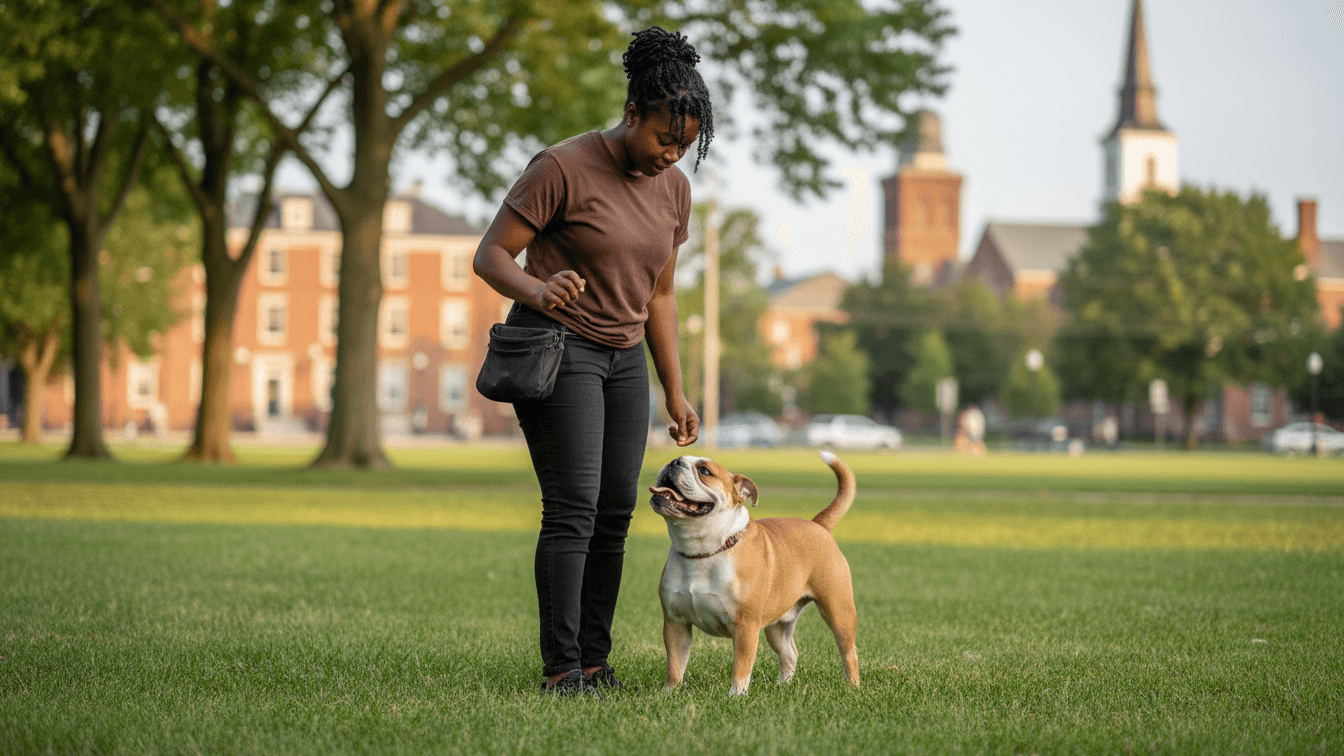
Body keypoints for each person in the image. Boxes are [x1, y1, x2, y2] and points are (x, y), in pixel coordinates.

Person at [472, 26, 711, 695]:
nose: (671, 154)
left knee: (614, 509)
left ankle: (595, 663)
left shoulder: (674, 192)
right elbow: (490, 254)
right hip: (559, 346)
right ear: (631, 113)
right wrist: (538, 289)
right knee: (572, 506)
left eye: (684, 145)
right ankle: (561, 667)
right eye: (664, 137)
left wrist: (676, 389)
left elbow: (659, 292)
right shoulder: (563, 168)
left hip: (624, 356)